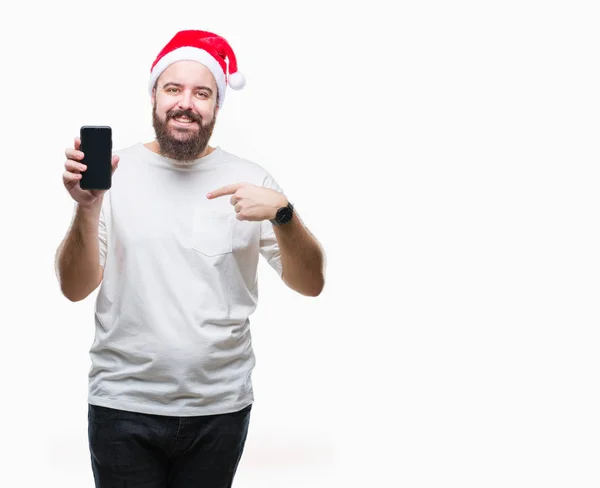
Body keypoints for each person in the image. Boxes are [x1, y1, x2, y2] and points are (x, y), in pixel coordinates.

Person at [54, 29, 326, 488]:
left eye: (202, 93)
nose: (187, 103)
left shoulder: (250, 178)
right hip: (123, 405)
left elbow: (311, 283)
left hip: (219, 409)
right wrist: (87, 207)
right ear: (154, 96)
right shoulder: (113, 175)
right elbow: (74, 287)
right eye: (173, 89)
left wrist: (284, 214)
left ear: (217, 105)